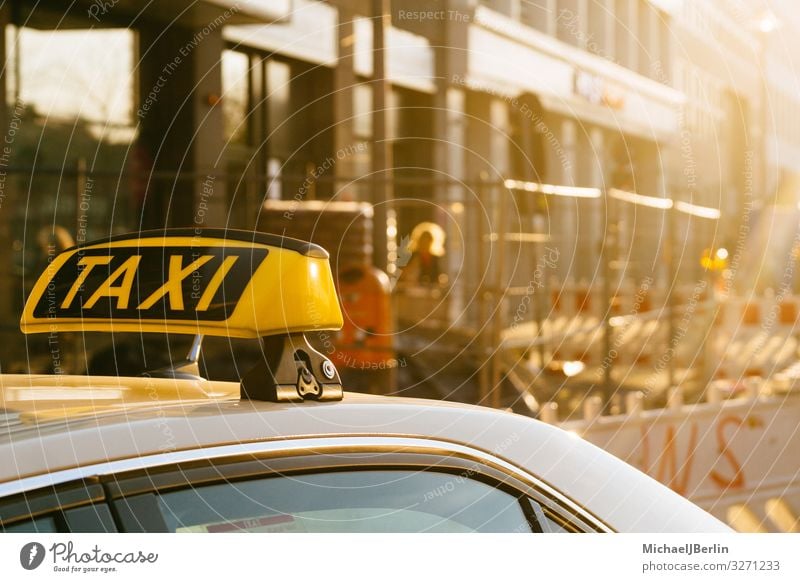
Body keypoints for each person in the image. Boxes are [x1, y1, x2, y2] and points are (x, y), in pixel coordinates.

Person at [398, 222, 447, 286]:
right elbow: (404, 274)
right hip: (414, 288)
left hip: (430, 289)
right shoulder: (411, 256)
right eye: (423, 240)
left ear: (431, 242)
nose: (425, 243)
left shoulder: (435, 258)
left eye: (428, 241)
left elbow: (438, 274)